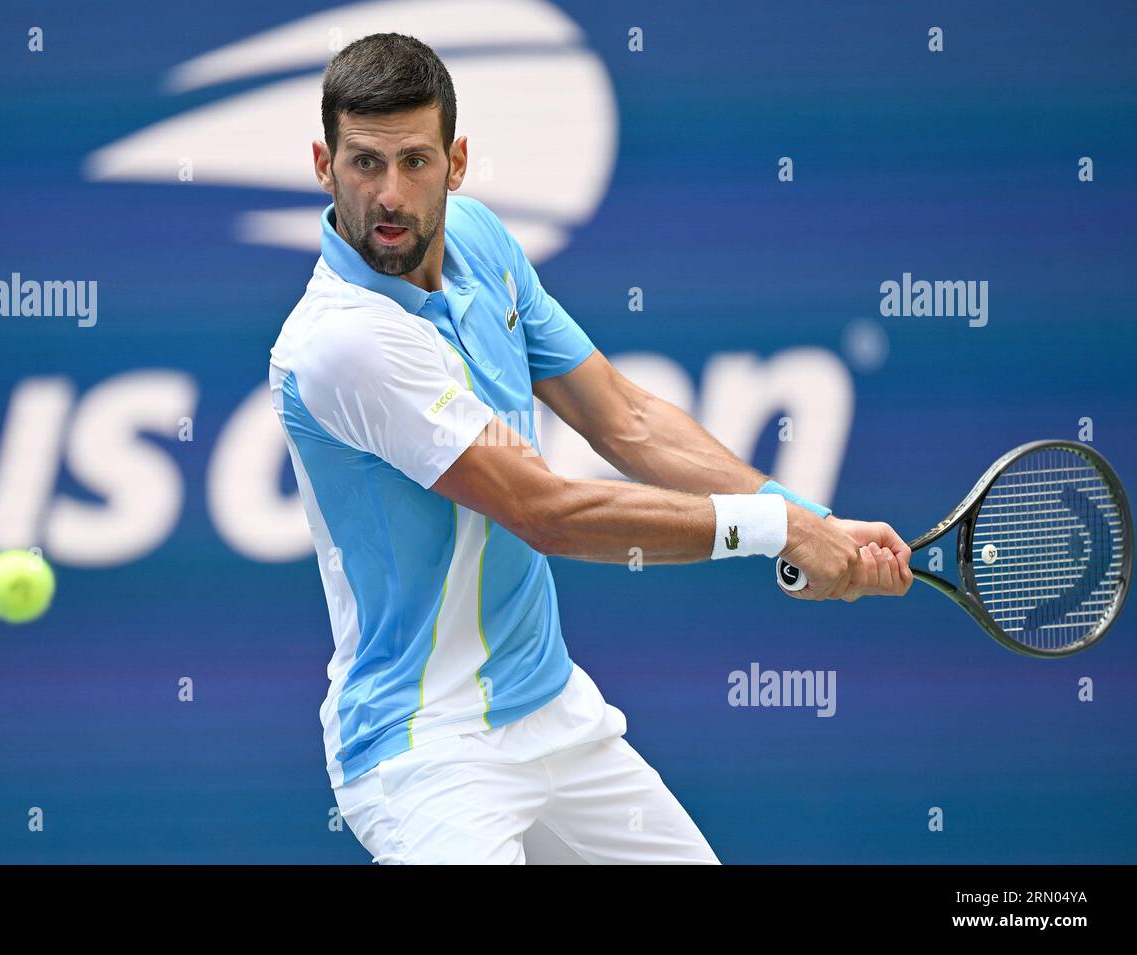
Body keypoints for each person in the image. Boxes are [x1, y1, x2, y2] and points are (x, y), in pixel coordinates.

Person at [269, 32, 912, 864]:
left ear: (457, 162)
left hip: (555, 712)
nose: (390, 194)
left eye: (416, 162)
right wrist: (777, 530)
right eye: (363, 163)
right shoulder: (342, 342)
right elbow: (548, 513)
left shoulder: (481, 242)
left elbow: (626, 420)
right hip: (427, 753)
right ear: (323, 163)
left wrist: (811, 518)